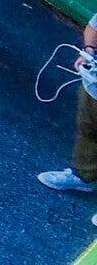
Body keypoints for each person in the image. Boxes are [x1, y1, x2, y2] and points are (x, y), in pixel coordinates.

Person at [45, 12, 97, 197]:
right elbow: (93, 27)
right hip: (93, 86)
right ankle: (83, 176)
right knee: (88, 129)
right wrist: (89, 51)